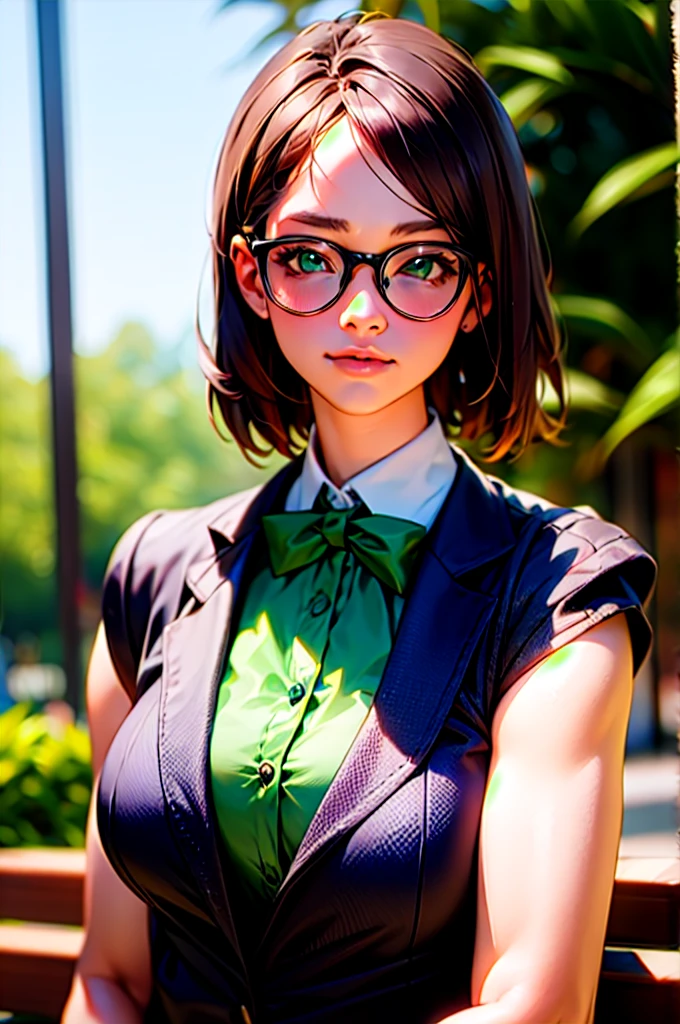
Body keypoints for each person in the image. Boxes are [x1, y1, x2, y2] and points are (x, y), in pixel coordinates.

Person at [63, 12, 656, 1024]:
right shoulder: (155, 576)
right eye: (312, 257)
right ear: (250, 273)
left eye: (418, 260)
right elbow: (111, 972)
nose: (362, 311)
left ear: (477, 288)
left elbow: (531, 1004)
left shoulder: (559, 598)